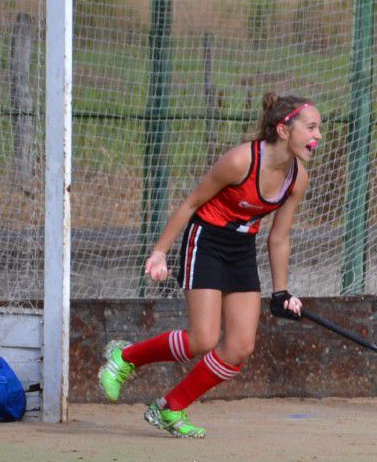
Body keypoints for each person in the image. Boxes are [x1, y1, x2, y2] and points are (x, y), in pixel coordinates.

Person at [98, 93, 321, 438]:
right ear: (283, 130)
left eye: (318, 128)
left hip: (242, 248)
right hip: (206, 241)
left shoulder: (297, 179)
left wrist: (282, 292)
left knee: (240, 346)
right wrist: (159, 251)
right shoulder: (240, 161)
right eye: (311, 127)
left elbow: (279, 238)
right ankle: (125, 358)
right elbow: (191, 204)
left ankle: (170, 409)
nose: (317, 135)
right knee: (202, 338)